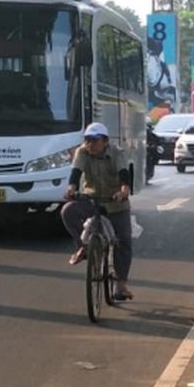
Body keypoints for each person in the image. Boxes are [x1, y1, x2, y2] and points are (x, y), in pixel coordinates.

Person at [62, 122, 134, 301]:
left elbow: (124, 174)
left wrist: (124, 190)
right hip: (91, 199)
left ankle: (121, 285)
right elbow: (76, 172)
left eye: (94, 140)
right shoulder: (83, 152)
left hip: (115, 202)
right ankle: (83, 247)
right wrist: (71, 188)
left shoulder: (117, 152)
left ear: (105, 141)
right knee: (68, 211)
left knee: (123, 241)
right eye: (87, 140)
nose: (90, 144)